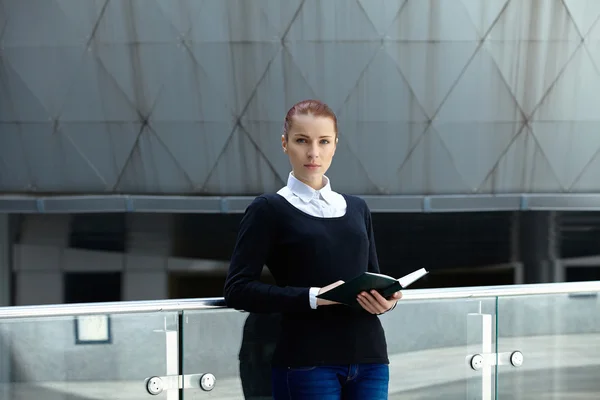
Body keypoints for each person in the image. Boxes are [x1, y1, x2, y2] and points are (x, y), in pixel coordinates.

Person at [224, 99, 402, 399]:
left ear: (335, 145)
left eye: (323, 141)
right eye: (302, 141)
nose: (313, 152)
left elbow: (372, 276)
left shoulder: (357, 208)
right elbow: (238, 289)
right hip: (306, 362)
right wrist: (312, 297)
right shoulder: (268, 209)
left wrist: (388, 301)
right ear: (285, 144)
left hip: (370, 359)